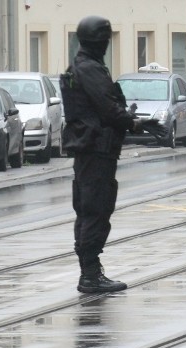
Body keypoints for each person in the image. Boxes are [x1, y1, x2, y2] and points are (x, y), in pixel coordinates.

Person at [60, 15, 151, 293]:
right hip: (97, 149)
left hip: (91, 148)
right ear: (101, 41)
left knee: (90, 208)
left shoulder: (82, 65)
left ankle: (89, 270)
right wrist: (134, 122)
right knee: (96, 209)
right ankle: (89, 274)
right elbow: (108, 109)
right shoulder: (90, 69)